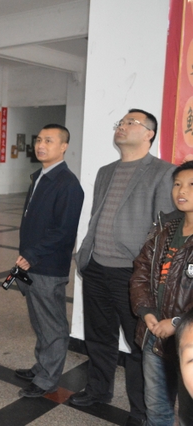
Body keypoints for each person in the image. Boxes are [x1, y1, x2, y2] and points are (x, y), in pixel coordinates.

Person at [72, 109, 175, 426]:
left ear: (149, 134)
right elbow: (97, 214)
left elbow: (165, 231)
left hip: (132, 274)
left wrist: (152, 277)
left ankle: (141, 410)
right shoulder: (106, 171)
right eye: (121, 122)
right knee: (98, 336)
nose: (122, 126)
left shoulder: (163, 173)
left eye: (131, 123)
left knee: (138, 344)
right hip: (96, 267)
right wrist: (84, 254)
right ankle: (98, 390)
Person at [13, 124, 84, 398]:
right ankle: (41, 366)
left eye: (49, 141)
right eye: (39, 140)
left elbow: (63, 231)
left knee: (52, 325)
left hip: (47, 266)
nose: (41, 145)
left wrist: (31, 255)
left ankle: (47, 380)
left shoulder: (68, 184)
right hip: (31, 262)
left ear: (64, 146)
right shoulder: (40, 176)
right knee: (39, 320)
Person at [130, 161, 193, 425]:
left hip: (188, 337)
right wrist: (146, 312)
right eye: (177, 184)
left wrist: (177, 323)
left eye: (191, 185)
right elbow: (141, 271)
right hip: (155, 334)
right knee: (156, 406)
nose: (182, 191)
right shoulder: (165, 229)